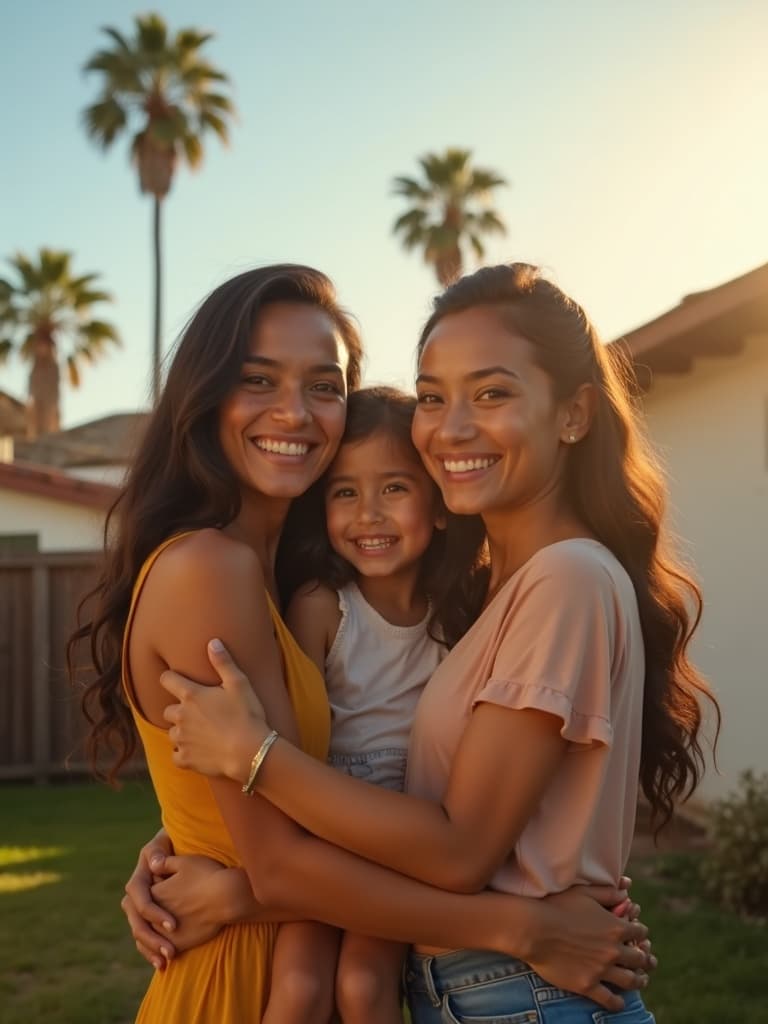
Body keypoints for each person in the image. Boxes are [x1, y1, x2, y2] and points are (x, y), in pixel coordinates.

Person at [153, 264, 718, 1022]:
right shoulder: (486, 597)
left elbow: (458, 850)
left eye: (491, 394)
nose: (450, 428)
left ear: (574, 413)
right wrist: (192, 839)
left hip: (525, 992)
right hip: (486, 986)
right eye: (431, 397)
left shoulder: (567, 579)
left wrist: (255, 762)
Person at [267, 385, 453, 1024]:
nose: (367, 514)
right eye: (345, 492)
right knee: (297, 985)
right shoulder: (323, 605)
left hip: (403, 830)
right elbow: (288, 738)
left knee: (366, 987)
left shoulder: (457, 616)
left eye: (394, 489)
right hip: (323, 823)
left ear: (441, 504)